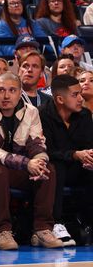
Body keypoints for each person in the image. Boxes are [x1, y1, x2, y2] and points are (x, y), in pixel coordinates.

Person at [0, 72, 63, 250]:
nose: (6, 95)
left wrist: (39, 162)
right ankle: (2, 231)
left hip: (15, 165)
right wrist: (26, 163)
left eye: (12, 90)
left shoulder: (31, 112)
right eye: (1, 90)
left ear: (19, 92)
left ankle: (42, 229)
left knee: (48, 170)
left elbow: (37, 144)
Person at [40, 74, 93, 247]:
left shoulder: (84, 115)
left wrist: (88, 158)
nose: (80, 98)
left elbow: (88, 144)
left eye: (80, 94)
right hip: (53, 168)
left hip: (79, 167)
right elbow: (47, 151)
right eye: (75, 95)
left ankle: (88, 223)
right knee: (57, 167)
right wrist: (75, 155)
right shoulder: (42, 115)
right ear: (60, 99)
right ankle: (57, 223)